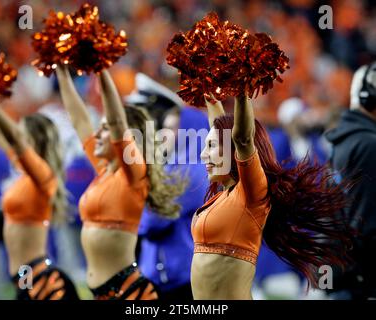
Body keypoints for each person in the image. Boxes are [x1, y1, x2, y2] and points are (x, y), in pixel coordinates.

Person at [190, 94, 353, 300]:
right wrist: (210, 98)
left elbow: (241, 137)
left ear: (232, 151)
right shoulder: (226, 193)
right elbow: (222, 129)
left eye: (211, 146)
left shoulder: (250, 192)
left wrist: (243, 90)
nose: (203, 153)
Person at [55, 66, 184, 300]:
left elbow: (116, 121)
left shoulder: (134, 173)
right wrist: (62, 72)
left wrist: (102, 69)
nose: (97, 134)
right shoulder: (104, 170)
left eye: (104, 129)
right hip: (101, 293)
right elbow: (79, 119)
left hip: (128, 292)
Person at [0, 103, 79, 300]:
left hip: (37, 277)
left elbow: (13, 138)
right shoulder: (25, 172)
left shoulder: (43, 176)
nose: (17, 138)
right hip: (24, 276)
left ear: (34, 140)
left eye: (22, 133)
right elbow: (1, 137)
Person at [127, 74, 209, 300]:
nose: (164, 134)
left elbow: (152, 223)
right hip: (167, 271)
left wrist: (136, 220)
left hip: (178, 274)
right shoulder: (178, 166)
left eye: (173, 128)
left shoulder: (188, 170)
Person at [325, 62, 376, 300]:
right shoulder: (368, 144)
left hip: (344, 276)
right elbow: (367, 225)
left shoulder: (346, 140)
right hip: (361, 284)